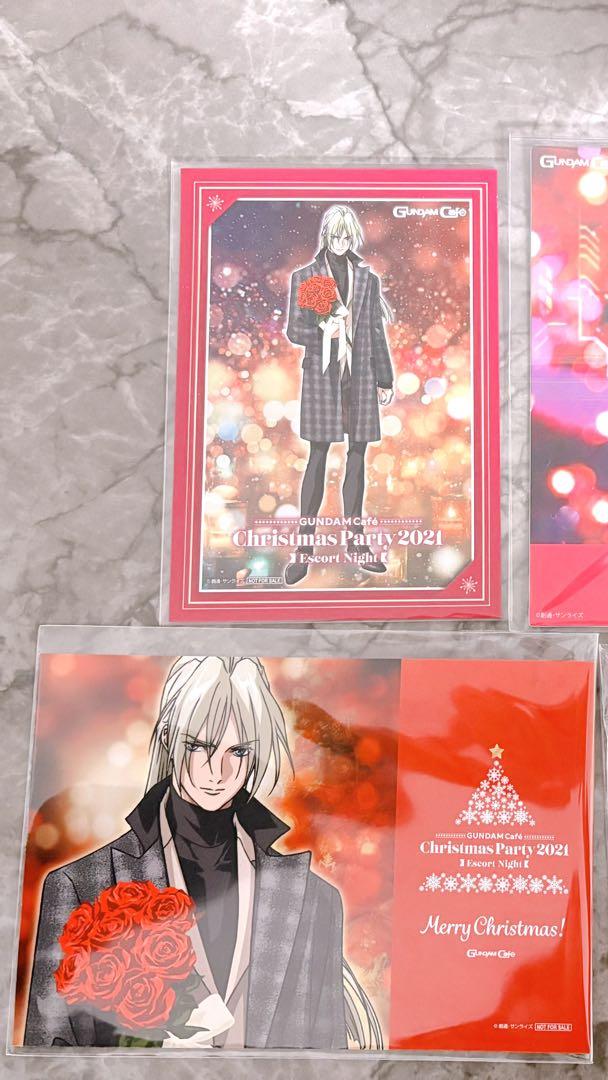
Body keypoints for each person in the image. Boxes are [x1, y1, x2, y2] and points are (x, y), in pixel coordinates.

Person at [25, 655, 381, 1049]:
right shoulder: (80, 886)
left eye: (238, 752)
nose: (218, 771)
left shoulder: (314, 902)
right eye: (199, 746)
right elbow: (47, 1055)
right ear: (168, 739)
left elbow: (329, 1059)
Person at [284, 204, 395, 585]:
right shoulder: (306, 277)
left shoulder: (367, 278)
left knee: (357, 457)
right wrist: (323, 329)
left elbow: (376, 331)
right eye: (336, 236)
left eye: (347, 237)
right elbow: (294, 331)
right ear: (326, 236)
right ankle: (303, 550)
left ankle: (357, 544)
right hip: (322, 377)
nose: (341, 242)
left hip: (360, 377)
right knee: (317, 456)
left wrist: (385, 379)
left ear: (354, 238)